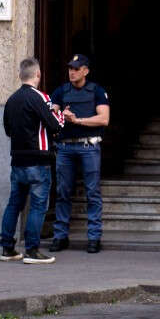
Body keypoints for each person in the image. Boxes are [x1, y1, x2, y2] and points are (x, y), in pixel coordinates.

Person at [0, 58, 65, 264]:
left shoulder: (11, 100)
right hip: (38, 159)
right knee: (38, 205)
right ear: (38, 75)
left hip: (17, 160)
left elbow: (8, 130)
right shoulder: (41, 97)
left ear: (20, 75)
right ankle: (32, 250)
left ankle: (7, 248)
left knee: (14, 204)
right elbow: (55, 126)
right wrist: (60, 114)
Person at [49, 54, 111, 254]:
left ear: (86, 71)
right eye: (70, 68)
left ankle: (94, 238)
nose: (72, 72)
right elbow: (50, 115)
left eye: (76, 69)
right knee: (63, 192)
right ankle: (60, 236)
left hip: (88, 147)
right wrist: (60, 115)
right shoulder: (61, 91)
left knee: (92, 193)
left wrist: (77, 120)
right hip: (65, 148)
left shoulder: (97, 91)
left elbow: (104, 119)